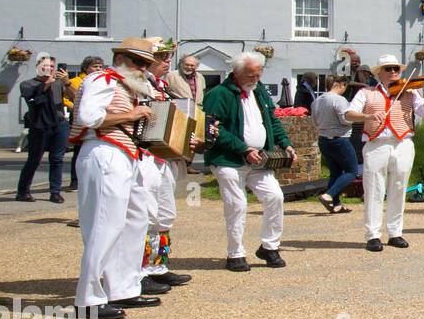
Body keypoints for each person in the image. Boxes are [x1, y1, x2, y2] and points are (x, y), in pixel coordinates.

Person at [69, 38, 164, 319]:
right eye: (138, 62)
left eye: (147, 63)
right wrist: (133, 113)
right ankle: (88, 298)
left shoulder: (125, 86)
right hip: (104, 152)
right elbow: (88, 116)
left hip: (126, 154)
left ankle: (123, 287)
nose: (143, 68)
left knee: (136, 218)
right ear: (121, 58)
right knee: (104, 225)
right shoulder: (102, 78)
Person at [203, 51, 295, 272]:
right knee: (237, 204)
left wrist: (285, 143)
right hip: (227, 159)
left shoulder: (259, 91)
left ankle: (269, 247)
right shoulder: (219, 94)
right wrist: (243, 149)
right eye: (250, 75)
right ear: (236, 73)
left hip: (259, 159)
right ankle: (235, 253)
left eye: (258, 74)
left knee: (275, 196)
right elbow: (214, 129)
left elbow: (271, 120)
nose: (255, 79)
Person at [345, 56, 424, 251]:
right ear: (379, 72)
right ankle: (373, 235)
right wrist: (368, 116)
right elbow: (348, 114)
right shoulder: (366, 92)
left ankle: (395, 232)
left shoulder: (410, 92)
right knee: (374, 189)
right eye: (388, 69)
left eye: (396, 68)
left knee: (399, 187)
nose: (393, 72)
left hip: (402, 142)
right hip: (376, 143)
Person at [136, 39, 197, 294]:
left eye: (168, 58)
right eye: (161, 58)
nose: (166, 63)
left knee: (164, 214)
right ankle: (139, 272)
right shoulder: (138, 85)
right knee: (147, 215)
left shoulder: (160, 86)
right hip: (144, 156)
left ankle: (157, 266)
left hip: (163, 158)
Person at [17, 54, 75, 203]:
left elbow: (74, 97)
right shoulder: (27, 84)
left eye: (51, 66)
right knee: (34, 160)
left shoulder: (59, 83)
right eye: (45, 66)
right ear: (38, 67)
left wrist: (67, 82)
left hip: (60, 123)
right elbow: (34, 101)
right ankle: (23, 191)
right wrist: (47, 84)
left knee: (57, 159)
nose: (48, 69)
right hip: (40, 124)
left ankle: (55, 192)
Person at [313, 76, 358, 214]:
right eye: (346, 87)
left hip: (323, 139)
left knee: (336, 172)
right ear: (341, 84)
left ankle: (336, 204)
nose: (346, 90)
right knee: (352, 171)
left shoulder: (317, 101)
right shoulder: (339, 100)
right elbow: (345, 119)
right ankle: (329, 195)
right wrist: (357, 119)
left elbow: (314, 121)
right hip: (339, 139)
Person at [66, 56, 105, 192]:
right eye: (95, 66)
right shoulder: (76, 81)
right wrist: (73, 106)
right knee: (78, 151)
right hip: (80, 118)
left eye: (100, 66)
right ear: (86, 68)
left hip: (95, 119)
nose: (98, 69)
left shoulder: (102, 81)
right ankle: (75, 181)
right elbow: (67, 97)